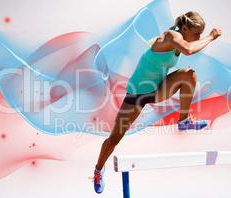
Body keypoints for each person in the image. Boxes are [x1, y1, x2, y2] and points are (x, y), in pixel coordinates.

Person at [90, 11, 222, 194]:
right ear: (184, 29)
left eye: (200, 34)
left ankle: (183, 121)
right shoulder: (171, 36)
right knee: (114, 139)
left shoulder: (181, 39)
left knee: (189, 75)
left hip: (158, 89)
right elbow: (189, 50)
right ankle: (98, 170)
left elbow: (188, 48)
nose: (198, 37)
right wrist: (211, 37)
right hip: (137, 94)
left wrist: (203, 37)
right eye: (196, 33)